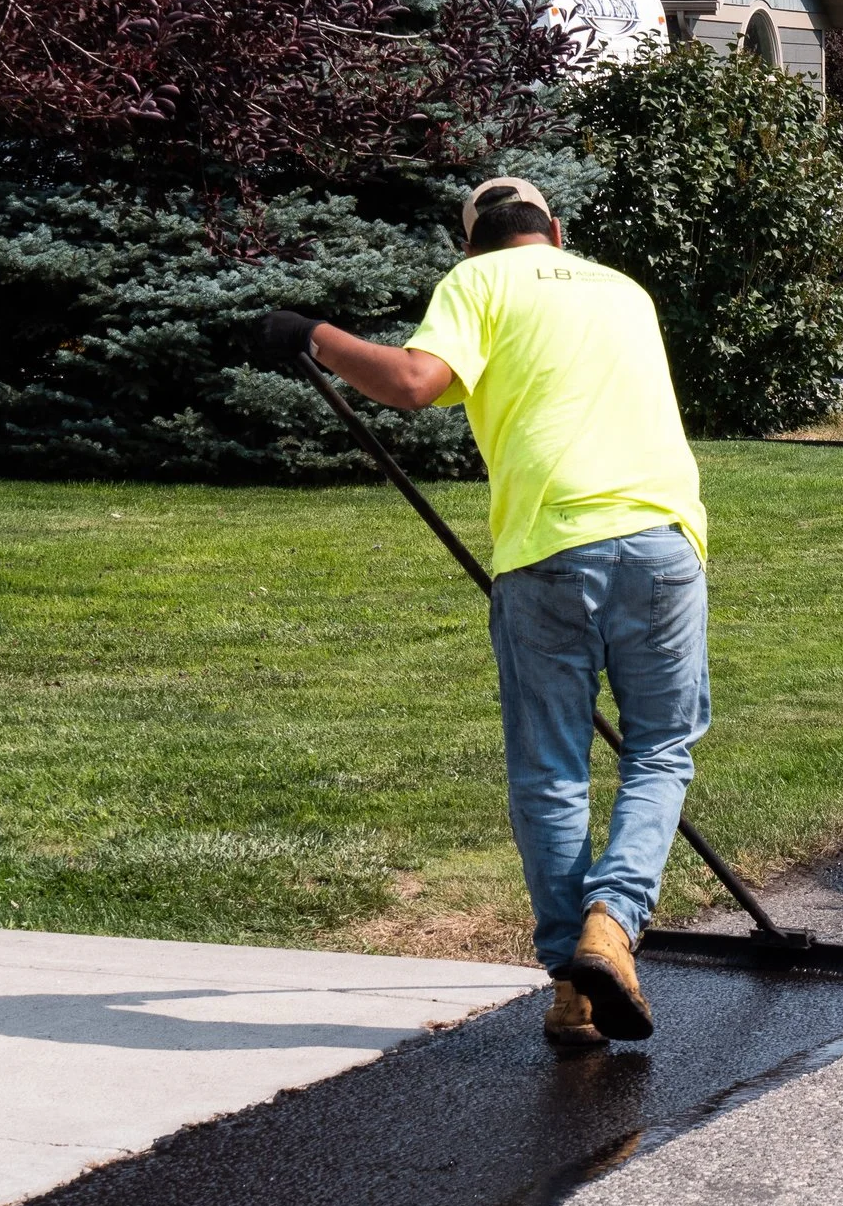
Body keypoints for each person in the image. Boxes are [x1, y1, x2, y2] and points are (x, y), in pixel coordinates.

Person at [255, 177, 709, 1050]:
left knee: (550, 769)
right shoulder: (623, 291)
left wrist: (310, 333)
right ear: (556, 231)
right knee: (660, 748)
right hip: (660, 539)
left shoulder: (476, 287)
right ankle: (611, 929)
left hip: (546, 553)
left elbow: (419, 383)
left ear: (470, 245)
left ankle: (575, 980)